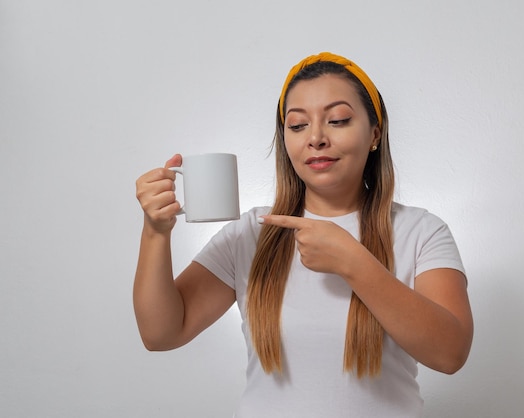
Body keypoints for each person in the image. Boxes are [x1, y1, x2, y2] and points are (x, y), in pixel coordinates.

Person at [134, 52, 473, 417]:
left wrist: (354, 262)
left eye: (338, 120)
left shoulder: (421, 231)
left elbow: (449, 353)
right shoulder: (253, 232)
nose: (315, 138)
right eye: (297, 126)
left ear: (375, 133)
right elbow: (161, 334)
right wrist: (156, 232)